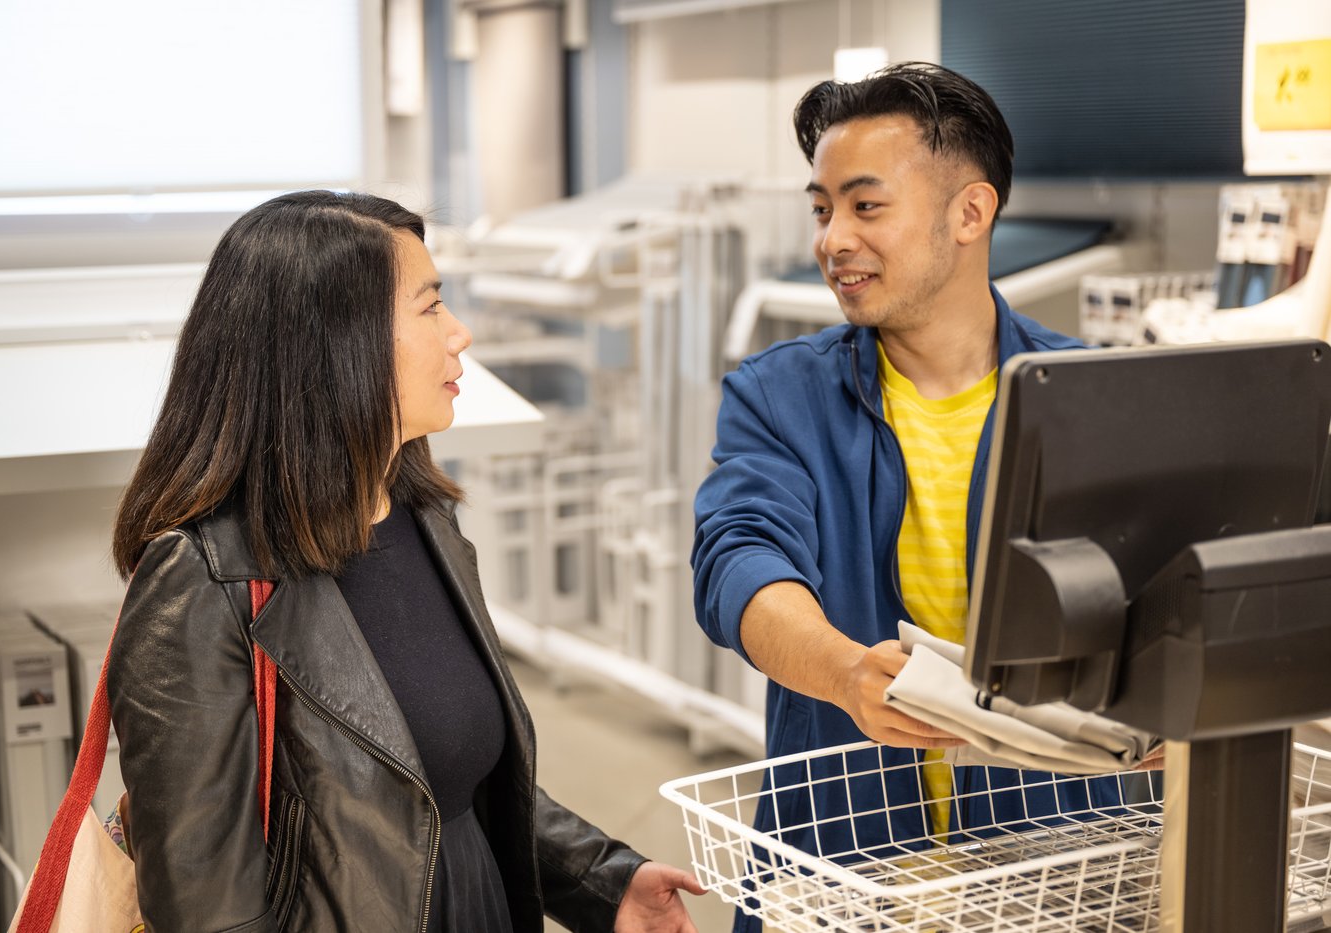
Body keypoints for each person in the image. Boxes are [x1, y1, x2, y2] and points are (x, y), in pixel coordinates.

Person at [108, 190, 703, 932]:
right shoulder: (203, 579)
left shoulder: (425, 522)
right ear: (335, 343)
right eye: (429, 308)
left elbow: (449, 780)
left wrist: (601, 880)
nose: (460, 333)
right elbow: (206, 908)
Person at [691, 63, 1132, 931]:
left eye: (866, 205)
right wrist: (845, 669)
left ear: (970, 212)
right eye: (822, 209)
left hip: (1054, 868)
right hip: (842, 866)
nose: (832, 239)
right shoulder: (781, 396)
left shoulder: (1095, 396)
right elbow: (739, 561)